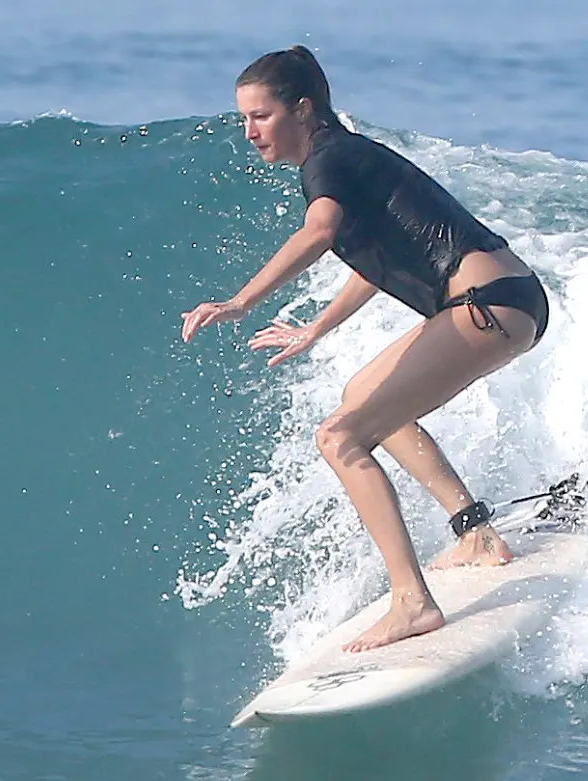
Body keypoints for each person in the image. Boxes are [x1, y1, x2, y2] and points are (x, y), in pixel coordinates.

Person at [181, 45, 549, 653]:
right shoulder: (349, 159)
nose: (248, 133)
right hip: (506, 300)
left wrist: (240, 301)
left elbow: (321, 233)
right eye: (242, 120)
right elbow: (376, 261)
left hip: (487, 304)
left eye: (261, 117)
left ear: (303, 110)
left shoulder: (327, 159)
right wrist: (316, 329)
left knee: (340, 436)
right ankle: (476, 534)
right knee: (364, 399)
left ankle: (413, 601)